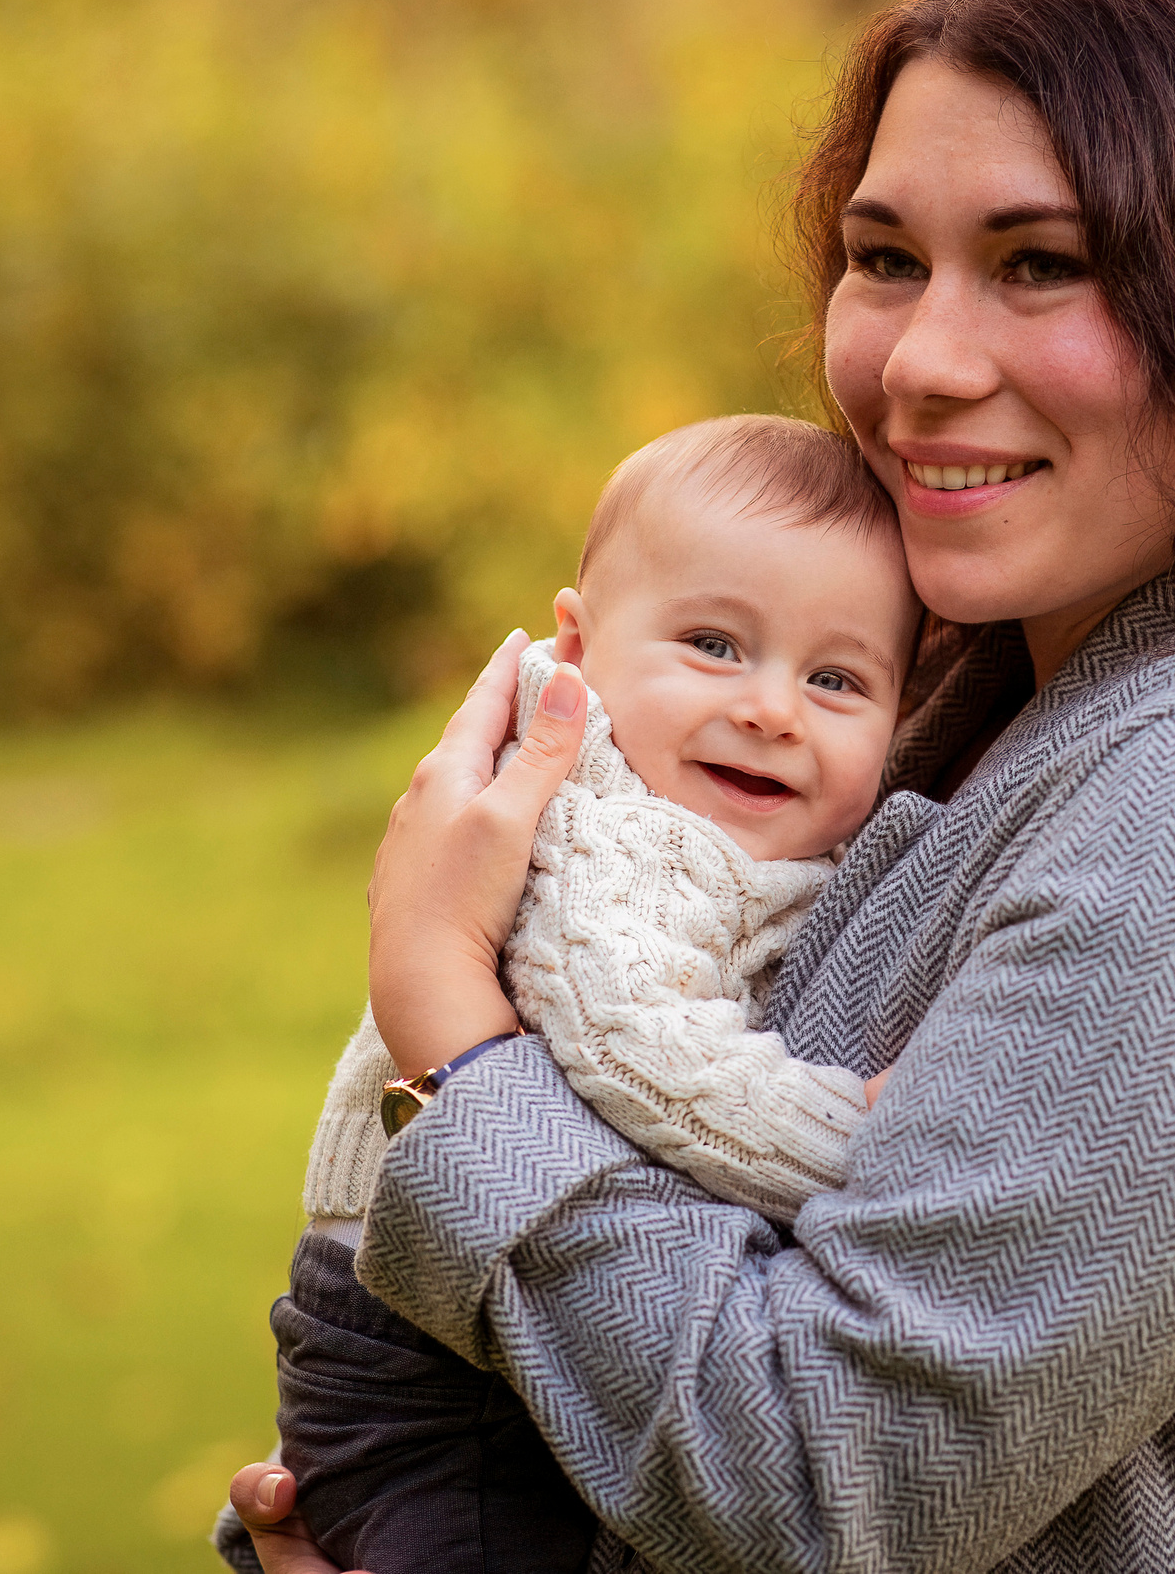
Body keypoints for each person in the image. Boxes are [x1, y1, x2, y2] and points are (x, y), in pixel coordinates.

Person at [235, 0, 1175, 1574]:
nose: (923, 362)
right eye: (884, 258)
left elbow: (834, 1477)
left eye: (1040, 263)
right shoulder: (968, 709)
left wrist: (451, 1020)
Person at [216, 416, 924, 1574]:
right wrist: (857, 1137)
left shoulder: (740, 832)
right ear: (580, 648)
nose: (771, 708)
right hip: (432, 1355)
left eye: (835, 678)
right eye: (713, 644)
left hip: (513, 1292)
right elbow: (634, 1049)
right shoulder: (607, 830)